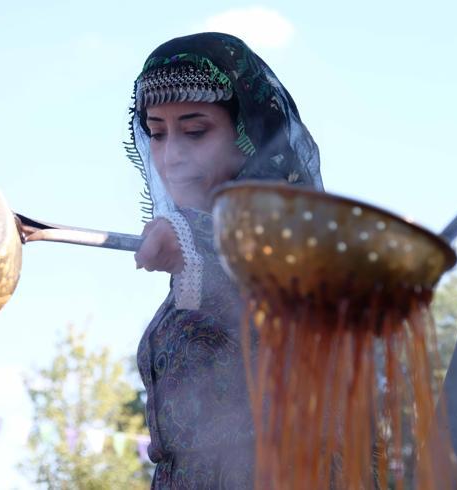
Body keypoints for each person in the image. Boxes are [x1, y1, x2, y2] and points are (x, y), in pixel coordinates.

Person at [127, 32, 323, 488]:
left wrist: (193, 234)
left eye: (195, 131)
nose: (171, 156)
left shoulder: (294, 249)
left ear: (248, 136)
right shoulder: (194, 263)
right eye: (157, 133)